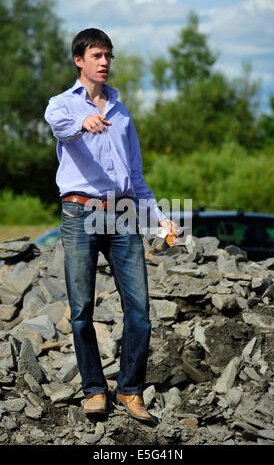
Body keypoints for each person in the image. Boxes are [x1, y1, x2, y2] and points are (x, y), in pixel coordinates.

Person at [45, 28, 178, 422]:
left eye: (108, 56)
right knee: (82, 309)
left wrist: (160, 218)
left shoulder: (122, 114)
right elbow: (59, 129)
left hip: (122, 214)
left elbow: (135, 178)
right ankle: (93, 390)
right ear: (79, 60)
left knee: (139, 310)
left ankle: (130, 390)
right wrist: (83, 122)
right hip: (79, 211)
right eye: (97, 55)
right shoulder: (62, 105)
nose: (104, 62)